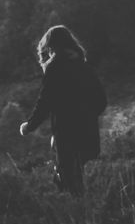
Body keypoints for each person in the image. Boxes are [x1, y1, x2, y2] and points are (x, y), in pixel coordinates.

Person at [18, 25, 106, 194]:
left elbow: (45, 102)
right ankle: (91, 212)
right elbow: (101, 100)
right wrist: (88, 116)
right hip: (88, 131)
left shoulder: (55, 69)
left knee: (68, 182)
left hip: (66, 134)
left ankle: (76, 215)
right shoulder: (84, 66)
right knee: (82, 176)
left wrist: (29, 126)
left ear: (51, 47)